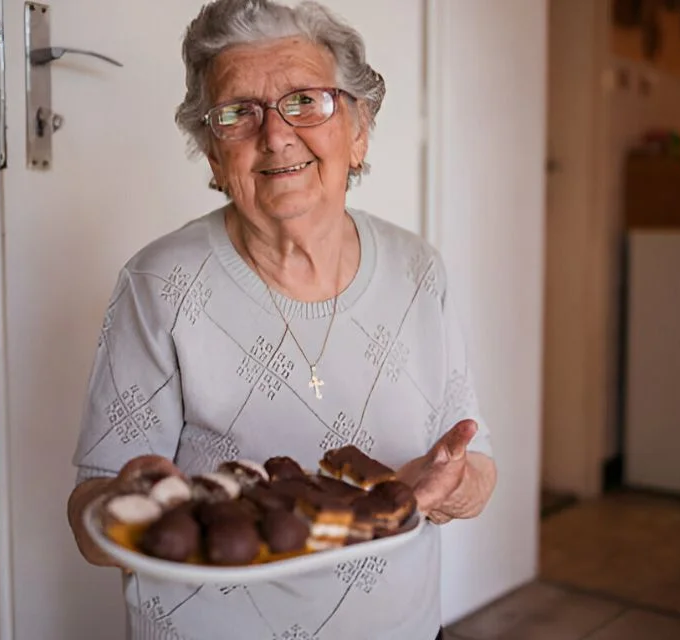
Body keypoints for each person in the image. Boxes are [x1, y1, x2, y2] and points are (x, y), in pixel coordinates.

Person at [66, 1, 497, 638]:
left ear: (359, 130)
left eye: (305, 101)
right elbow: (90, 531)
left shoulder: (417, 270)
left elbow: (477, 470)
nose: (275, 135)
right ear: (214, 156)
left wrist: (449, 488)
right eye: (238, 113)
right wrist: (122, 499)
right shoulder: (157, 283)